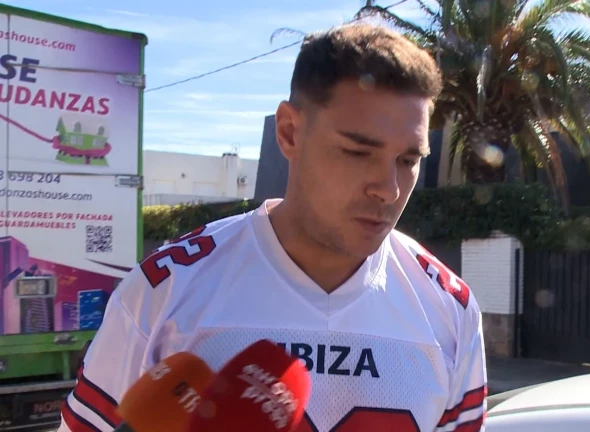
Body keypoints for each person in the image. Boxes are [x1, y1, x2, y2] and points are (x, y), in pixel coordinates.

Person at [58, 23, 487, 432]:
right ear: (289, 132)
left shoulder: (450, 312)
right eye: (358, 152)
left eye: (408, 161)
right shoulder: (164, 292)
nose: (389, 189)